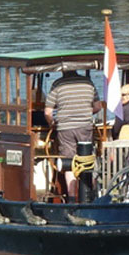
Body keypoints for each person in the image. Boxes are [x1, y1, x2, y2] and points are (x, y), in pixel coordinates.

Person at [44, 70, 101, 199]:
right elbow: (98, 107)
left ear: (63, 71)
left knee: (68, 161)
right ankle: (90, 196)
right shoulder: (88, 83)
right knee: (86, 159)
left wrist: (51, 123)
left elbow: (48, 112)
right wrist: (84, 114)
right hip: (85, 127)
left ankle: (71, 197)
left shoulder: (58, 84)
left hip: (65, 128)